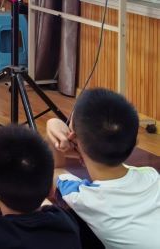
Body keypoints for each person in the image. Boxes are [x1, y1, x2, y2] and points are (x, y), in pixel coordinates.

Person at [46, 87, 159, 249]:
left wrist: (53, 125)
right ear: (134, 142)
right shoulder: (151, 175)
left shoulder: (83, 197)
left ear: (72, 137)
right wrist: (83, 151)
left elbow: (55, 171)